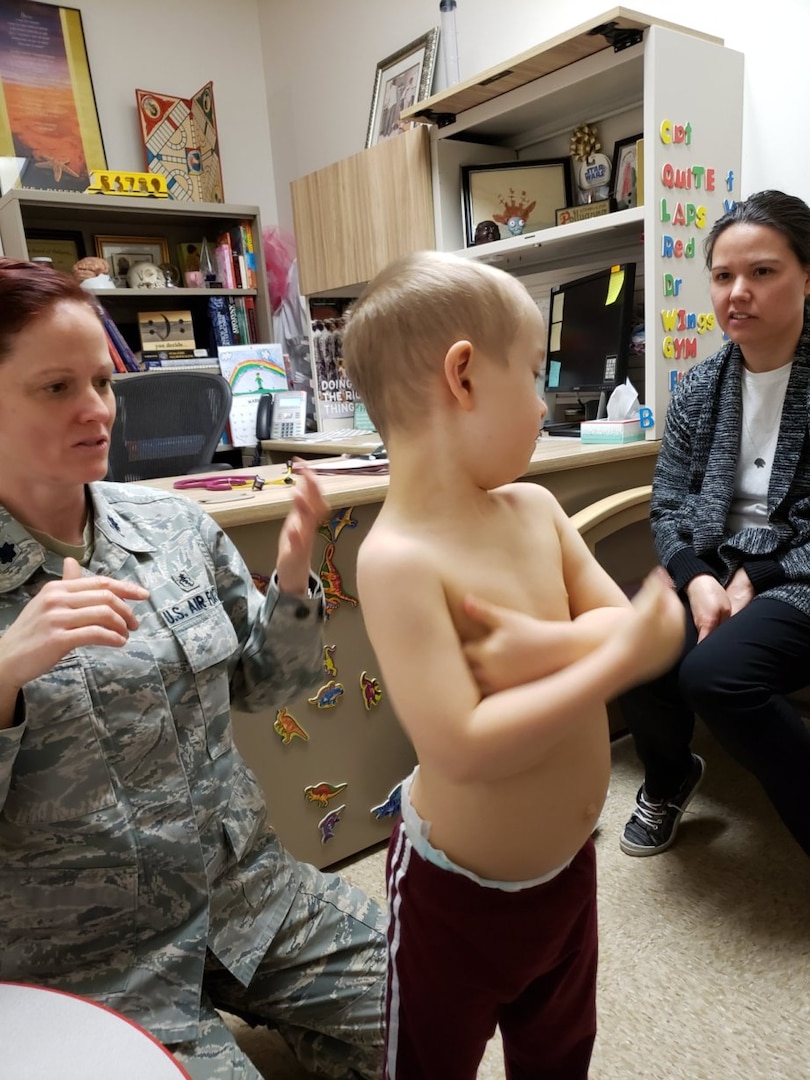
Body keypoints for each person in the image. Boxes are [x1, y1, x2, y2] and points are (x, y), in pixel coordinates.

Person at [0, 257, 386, 1079]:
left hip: (245, 890)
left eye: (103, 382)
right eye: (56, 388)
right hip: (85, 956)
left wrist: (289, 585)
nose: (98, 410)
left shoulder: (173, 525)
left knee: (421, 1011)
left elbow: (264, 688)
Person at [340, 250, 685, 1078]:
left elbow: (642, 626)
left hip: (568, 873)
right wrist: (608, 658)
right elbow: (464, 745)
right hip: (453, 901)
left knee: (561, 1052)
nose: (543, 404)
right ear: (463, 376)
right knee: (431, 1060)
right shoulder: (398, 560)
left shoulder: (535, 510)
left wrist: (549, 647)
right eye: (533, 375)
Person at [618, 189, 810, 858]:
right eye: (724, 276)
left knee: (716, 675)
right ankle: (670, 780)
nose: (738, 293)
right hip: (715, 563)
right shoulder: (699, 387)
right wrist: (696, 578)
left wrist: (758, 575)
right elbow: (668, 501)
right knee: (628, 637)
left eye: (763, 272)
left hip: (799, 572)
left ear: (807, 277)